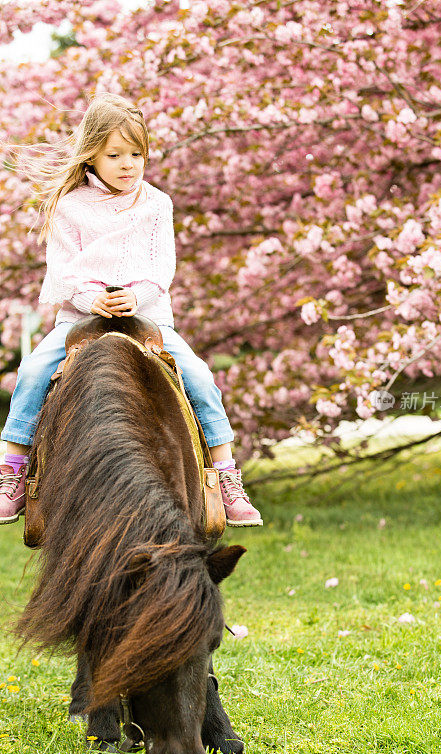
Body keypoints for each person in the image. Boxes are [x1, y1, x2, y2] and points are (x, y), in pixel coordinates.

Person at [0, 93, 262, 528]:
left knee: (198, 375)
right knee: (31, 373)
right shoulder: (70, 207)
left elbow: (163, 266)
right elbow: (62, 270)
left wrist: (137, 296)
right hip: (81, 318)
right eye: (115, 154)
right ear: (92, 158)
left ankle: (225, 476)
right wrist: (90, 299)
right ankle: (14, 471)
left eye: (136, 153)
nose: (128, 164)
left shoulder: (157, 204)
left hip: (149, 317)